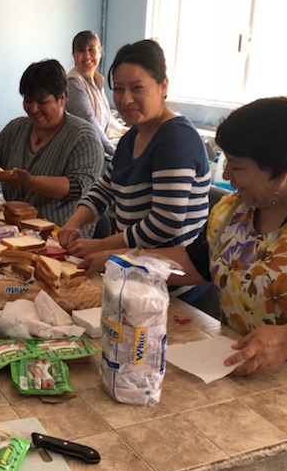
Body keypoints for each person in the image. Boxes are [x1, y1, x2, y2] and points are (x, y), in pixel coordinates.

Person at [82, 97, 287, 451]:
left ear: (281, 171)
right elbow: (196, 262)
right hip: (253, 376)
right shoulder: (234, 210)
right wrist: (126, 260)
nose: (226, 176)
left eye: (236, 166)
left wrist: (286, 342)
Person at [58, 39, 210, 302]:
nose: (126, 99)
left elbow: (166, 223)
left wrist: (102, 245)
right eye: (118, 89)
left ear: (163, 86)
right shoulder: (132, 137)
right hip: (138, 278)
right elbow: (105, 187)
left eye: (137, 88)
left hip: (173, 288)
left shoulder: (175, 138)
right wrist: (74, 222)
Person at [0, 59, 104, 228]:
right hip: (16, 228)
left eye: (42, 102)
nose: (33, 109)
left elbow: (76, 187)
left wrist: (30, 181)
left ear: (62, 98)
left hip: (61, 233)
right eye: (28, 100)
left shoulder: (83, 136)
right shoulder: (17, 128)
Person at [66, 31, 125, 158]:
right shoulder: (74, 83)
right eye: (81, 50)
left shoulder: (96, 80)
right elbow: (90, 122)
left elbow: (106, 115)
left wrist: (122, 130)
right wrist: (115, 153)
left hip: (95, 146)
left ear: (100, 51)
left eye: (91, 49)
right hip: (81, 152)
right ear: (74, 56)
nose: (87, 55)